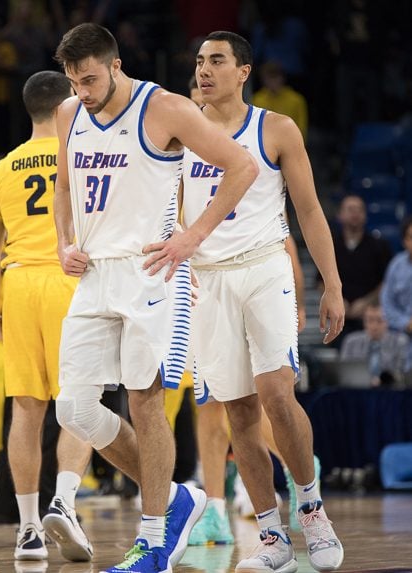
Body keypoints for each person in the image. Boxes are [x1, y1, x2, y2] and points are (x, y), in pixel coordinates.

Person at [52, 22, 257, 573]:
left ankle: (153, 542)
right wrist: (63, 242)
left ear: (115, 65)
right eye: (73, 81)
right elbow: (64, 185)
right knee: (73, 407)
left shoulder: (163, 107)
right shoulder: (70, 113)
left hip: (151, 273)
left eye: (90, 79)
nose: (81, 92)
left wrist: (191, 237)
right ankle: (177, 496)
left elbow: (242, 165)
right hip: (94, 274)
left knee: (144, 401)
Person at [181, 31, 345, 572]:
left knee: (276, 392)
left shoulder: (275, 128)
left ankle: (313, 509)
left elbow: (311, 211)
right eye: (201, 61)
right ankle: (271, 535)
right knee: (238, 412)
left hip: (264, 266)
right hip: (207, 278)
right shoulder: (180, 131)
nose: (205, 70)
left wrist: (332, 283)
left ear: (244, 71)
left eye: (217, 61)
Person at [0, 71, 93, 562]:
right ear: (69, 103)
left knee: (26, 409)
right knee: (80, 403)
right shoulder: (85, 157)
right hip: (72, 281)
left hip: (19, 283)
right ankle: (63, 501)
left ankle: (28, 530)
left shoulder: (2, 168)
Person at [318, 194, 392, 343]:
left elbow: (386, 282)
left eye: (359, 210)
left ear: (365, 215)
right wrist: (336, 299)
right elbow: (320, 280)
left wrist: (366, 303)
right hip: (338, 314)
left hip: (369, 315)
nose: (355, 214)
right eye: (350, 209)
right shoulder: (330, 245)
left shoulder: (379, 245)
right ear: (339, 215)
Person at [340, 301, 409, 386]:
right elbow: (344, 372)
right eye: (370, 320)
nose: (374, 326)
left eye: (379, 321)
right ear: (364, 321)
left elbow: (403, 373)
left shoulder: (400, 342)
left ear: (388, 321)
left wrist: (383, 380)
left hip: (391, 391)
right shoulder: (351, 341)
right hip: (358, 389)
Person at [380, 215, 412, 374]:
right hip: (402, 335)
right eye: (411, 237)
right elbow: (387, 304)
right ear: (404, 241)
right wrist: (406, 323)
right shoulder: (396, 266)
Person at [252, 60, 308, 142]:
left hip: (290, 144)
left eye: (275, 77)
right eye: (268, 78)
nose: (272, 82)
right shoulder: (257, 99)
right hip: (264, 145)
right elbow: (254, 127)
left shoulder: (296, 100)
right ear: (263, 80)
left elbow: (302, 129)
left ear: (282, 78)